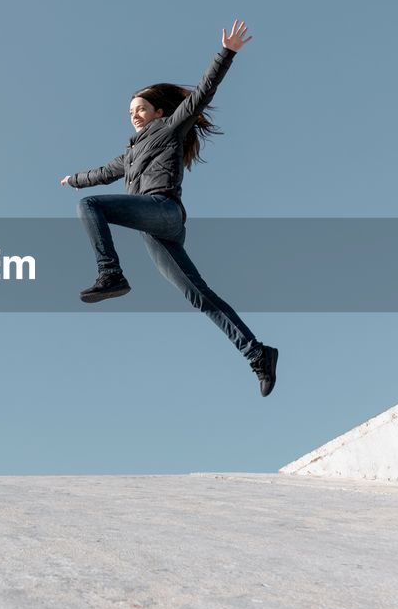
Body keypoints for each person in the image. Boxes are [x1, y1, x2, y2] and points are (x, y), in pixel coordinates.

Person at [59, 20, 279, 397]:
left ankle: (110, 273)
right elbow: (102, 173)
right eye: (130, 110)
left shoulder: (170, 128)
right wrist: (74, 178)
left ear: (159, 112)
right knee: (198, 295)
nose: (134, 114)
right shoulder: (129, 155)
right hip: (153, 230)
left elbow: (202, 95)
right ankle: (257, 352)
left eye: (141, 108)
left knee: (90, 206)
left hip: (163, 209)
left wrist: (226, 53)